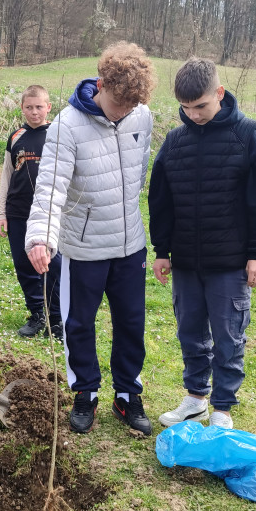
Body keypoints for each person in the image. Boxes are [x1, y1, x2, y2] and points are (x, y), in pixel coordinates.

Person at [25, 41, 156, 436]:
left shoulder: (142, 116)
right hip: (83, 248)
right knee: (79, 323)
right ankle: (86, 392)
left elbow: (137, 175)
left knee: (131, 322)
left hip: (129, 245)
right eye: (120, 104)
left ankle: (127, 394)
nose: (126, 111)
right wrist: (40, 238)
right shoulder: (67, 126)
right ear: (101, 86)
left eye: (133, 106)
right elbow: (50, 186)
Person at [148, 58, 256, 430]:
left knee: (228, 335)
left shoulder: (248, 134)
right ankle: (194, 399)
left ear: (219, 93)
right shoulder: (174, 141)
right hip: (186, 261)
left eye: (200, 106)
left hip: (231, 263)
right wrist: (161, 251)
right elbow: (161, 200)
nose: (194, 114)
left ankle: (222, 409)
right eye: (186, 108)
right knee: (189, 331)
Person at [0, 85, 62, 339]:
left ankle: (56, 319)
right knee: (24, 266)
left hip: (49, 214)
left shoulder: (59, 135)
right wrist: (2, 214)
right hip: (18, 212)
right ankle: (37, 314)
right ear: (22, 108)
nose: (34, 112)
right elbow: (6, 177)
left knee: (53, 265)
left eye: (39, 107)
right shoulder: (16, 138)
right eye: (28, 107)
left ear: (48, 108)